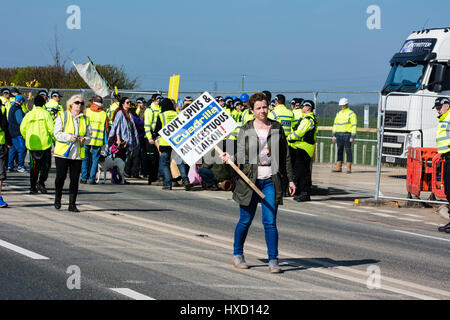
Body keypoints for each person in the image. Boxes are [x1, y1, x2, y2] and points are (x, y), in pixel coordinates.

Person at [222, 92, 295, 273]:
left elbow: (285, 155)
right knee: (245, 220)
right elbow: (239, 152)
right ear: (252, 110)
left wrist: (291, 179)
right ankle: (237, 254)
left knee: (270, 221)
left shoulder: (276, 127)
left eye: (265, 107)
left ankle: (273, 259)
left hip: (271, 180)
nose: (263, 111)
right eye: (259, 108)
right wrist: (229, 156)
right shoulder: (246, 129)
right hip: (249, 180)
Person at [53, 95, 92, 212]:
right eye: (77, 102)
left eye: (81, 103)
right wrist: (69, 137)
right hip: (63, 153)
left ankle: (72, 204)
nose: (79, 105)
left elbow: (90, 136)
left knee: (74, 179)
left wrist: (85, 139)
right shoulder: (63, 115)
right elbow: (57, 133)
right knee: (60, 177)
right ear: (71, 104)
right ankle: (58, 198)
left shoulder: (85, 119)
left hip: (77, 154)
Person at [153, 98, 192, 191]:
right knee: (180, 162)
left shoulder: (161, 115)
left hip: (165, 143)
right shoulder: (177, 114)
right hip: (176, 143)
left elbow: (157, 130)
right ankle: (186, 181)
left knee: (165, 164)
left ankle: (167, 183)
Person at [20, 95, 54, 194]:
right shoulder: (46, 114)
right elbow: (51, 129)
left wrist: (27, 137)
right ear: (43, 103)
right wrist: (55, 139)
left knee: (34, 167)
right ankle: (41, 182)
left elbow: (22, 128)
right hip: (45, 144)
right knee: (46, 166)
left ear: (34, 103)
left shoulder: (29, 115)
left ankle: (32, 187)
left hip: (32, 145)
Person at [287, 100, 318, 202]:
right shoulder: (306, 119)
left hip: (304, 148)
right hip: (303, 147)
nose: (301, 108)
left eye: (303, 106)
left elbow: (299, 133)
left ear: (308, 108)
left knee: (302, 173)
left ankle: (304, 193)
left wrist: (289, 137)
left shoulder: (307, 120)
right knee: (303, 172)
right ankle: (301, 193)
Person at [106, 97, 140, 183]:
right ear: (123, 104)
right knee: (116, 159)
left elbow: (131, 126)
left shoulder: (129, 113)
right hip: (120, 140)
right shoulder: (120, 113)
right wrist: (118, 139)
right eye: (127, 102)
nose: (129, 104)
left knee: (123, 160)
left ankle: (121, 177)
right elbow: (116, 127)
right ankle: (114, 177)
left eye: (130, 102)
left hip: (127, 140)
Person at [81, 96, 108, 184]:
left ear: (93, 102)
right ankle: (92, 179)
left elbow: (82, 124)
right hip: (98, 140)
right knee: (95, 159)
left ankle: (84, 178)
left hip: (86, 138)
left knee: (85, 158)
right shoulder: (104, 114)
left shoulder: (87, 111)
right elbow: (107, 129)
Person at [434, 97, 450, 234]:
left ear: (447, 105)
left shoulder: (449, 116)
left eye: (440, 107)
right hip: (446, 156)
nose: (438, 110)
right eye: (437, 108)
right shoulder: (443, 117)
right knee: (448, 191)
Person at [332, 98, 357, 173]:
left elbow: (354, 125)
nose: (342, 107)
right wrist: (333, 135)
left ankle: (348, 168)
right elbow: (335, 125)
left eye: (343, 105)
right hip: (338, 134)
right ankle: (338, 167)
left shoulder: (351, 113)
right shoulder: (338, 113)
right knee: (339, 151)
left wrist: (352, 136)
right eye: (341, 105)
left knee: (348, 151)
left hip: (347, 134)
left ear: (347, 105)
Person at [7, 95, 27, 173]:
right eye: (22, 101)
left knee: (13, 149)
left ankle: (10, 166)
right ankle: (20, 166)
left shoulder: (12, 107)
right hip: (17, 132)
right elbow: (20, 121)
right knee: (22, 149)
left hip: (11, 131)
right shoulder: (18, 109)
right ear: (21, 101)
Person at [125, 102, 143, 178]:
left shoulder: (131, 115)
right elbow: (140, 122)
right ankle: (131, 172)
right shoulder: (132, 117)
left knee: (133, 156)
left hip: (135, 138)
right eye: (132, 109)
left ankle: (131, 172)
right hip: (133, 139)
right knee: (132, 156)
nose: (134, 110)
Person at [0, 96, 12, 207]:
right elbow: (5, 126)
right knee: (0, 173)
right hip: (0, 143)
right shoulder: (2, 108)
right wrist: (9, 142)